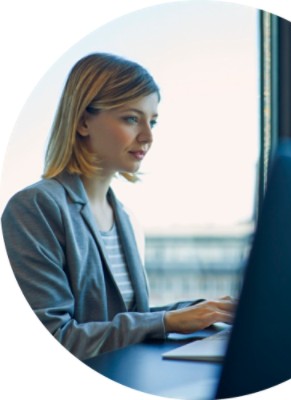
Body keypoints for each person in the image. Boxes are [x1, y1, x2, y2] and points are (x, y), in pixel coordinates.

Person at [1, 52, 235, 360]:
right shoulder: (34, 207)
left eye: (152, 121)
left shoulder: (125, 218)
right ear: (83, 122)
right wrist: (165, 321)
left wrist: (203, 310)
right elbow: (56, 338)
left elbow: (125, 320)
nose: (148, 136)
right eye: (131, 119)